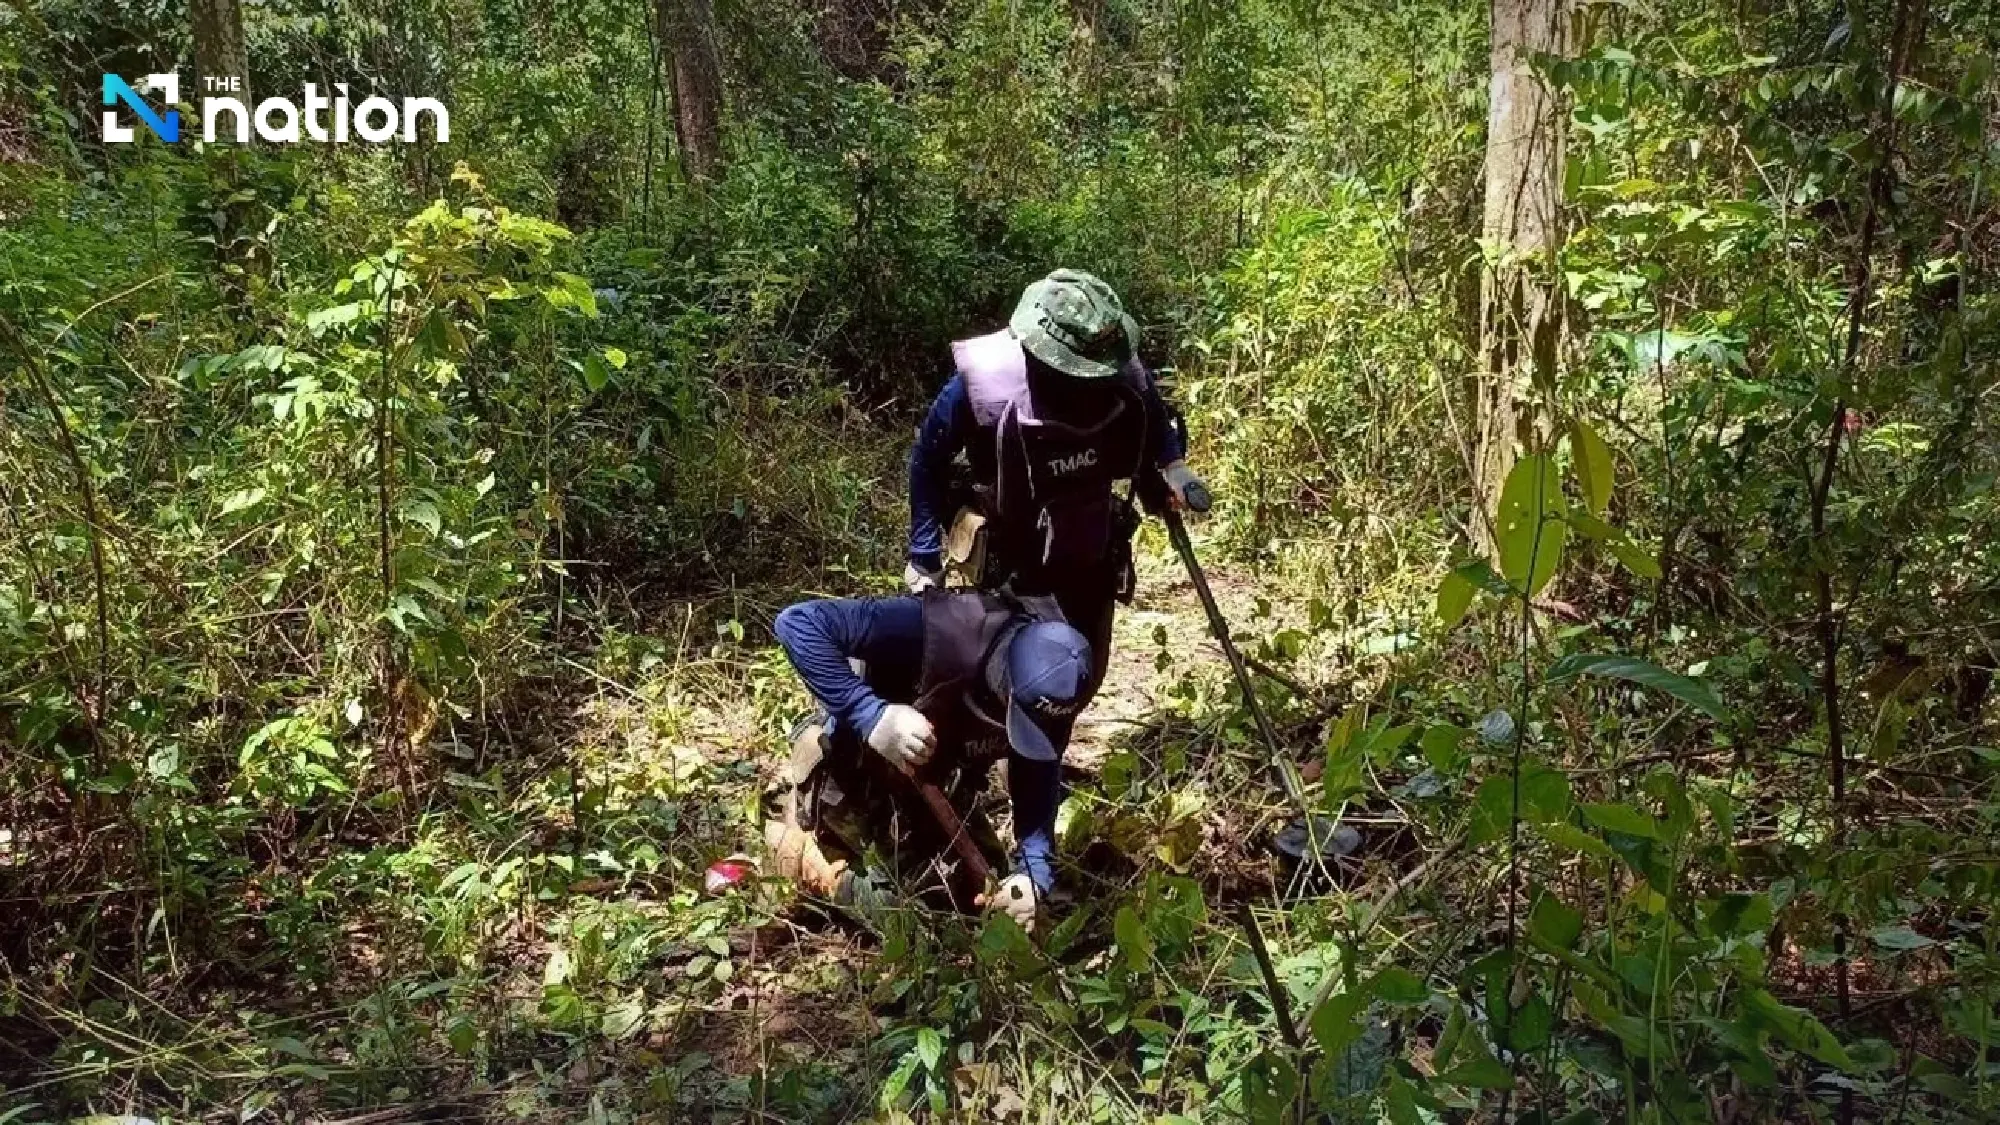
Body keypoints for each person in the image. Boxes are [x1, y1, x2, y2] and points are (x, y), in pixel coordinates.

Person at [904, 269, 1208, 699]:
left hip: (1090, 549)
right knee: (1004, 678)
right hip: (1008, 561)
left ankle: (1048, 754)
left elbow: (1149, 426)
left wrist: (1171, 474)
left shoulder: (1121, 370)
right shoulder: (981, 385)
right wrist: (923, 554)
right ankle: (1003, 759)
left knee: (1080, 674)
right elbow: (927, 457)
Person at [766, 589, 1090, 932]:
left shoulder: (1059, 686)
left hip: (935, 780)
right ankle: (812, 858)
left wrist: (1032, 877)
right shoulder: (939, 629)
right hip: (857, 773)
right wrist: (872, 715)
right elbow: (797, 623)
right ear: (1003, 683)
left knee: (985, 903)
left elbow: (1037, 787)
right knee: (916, 924)